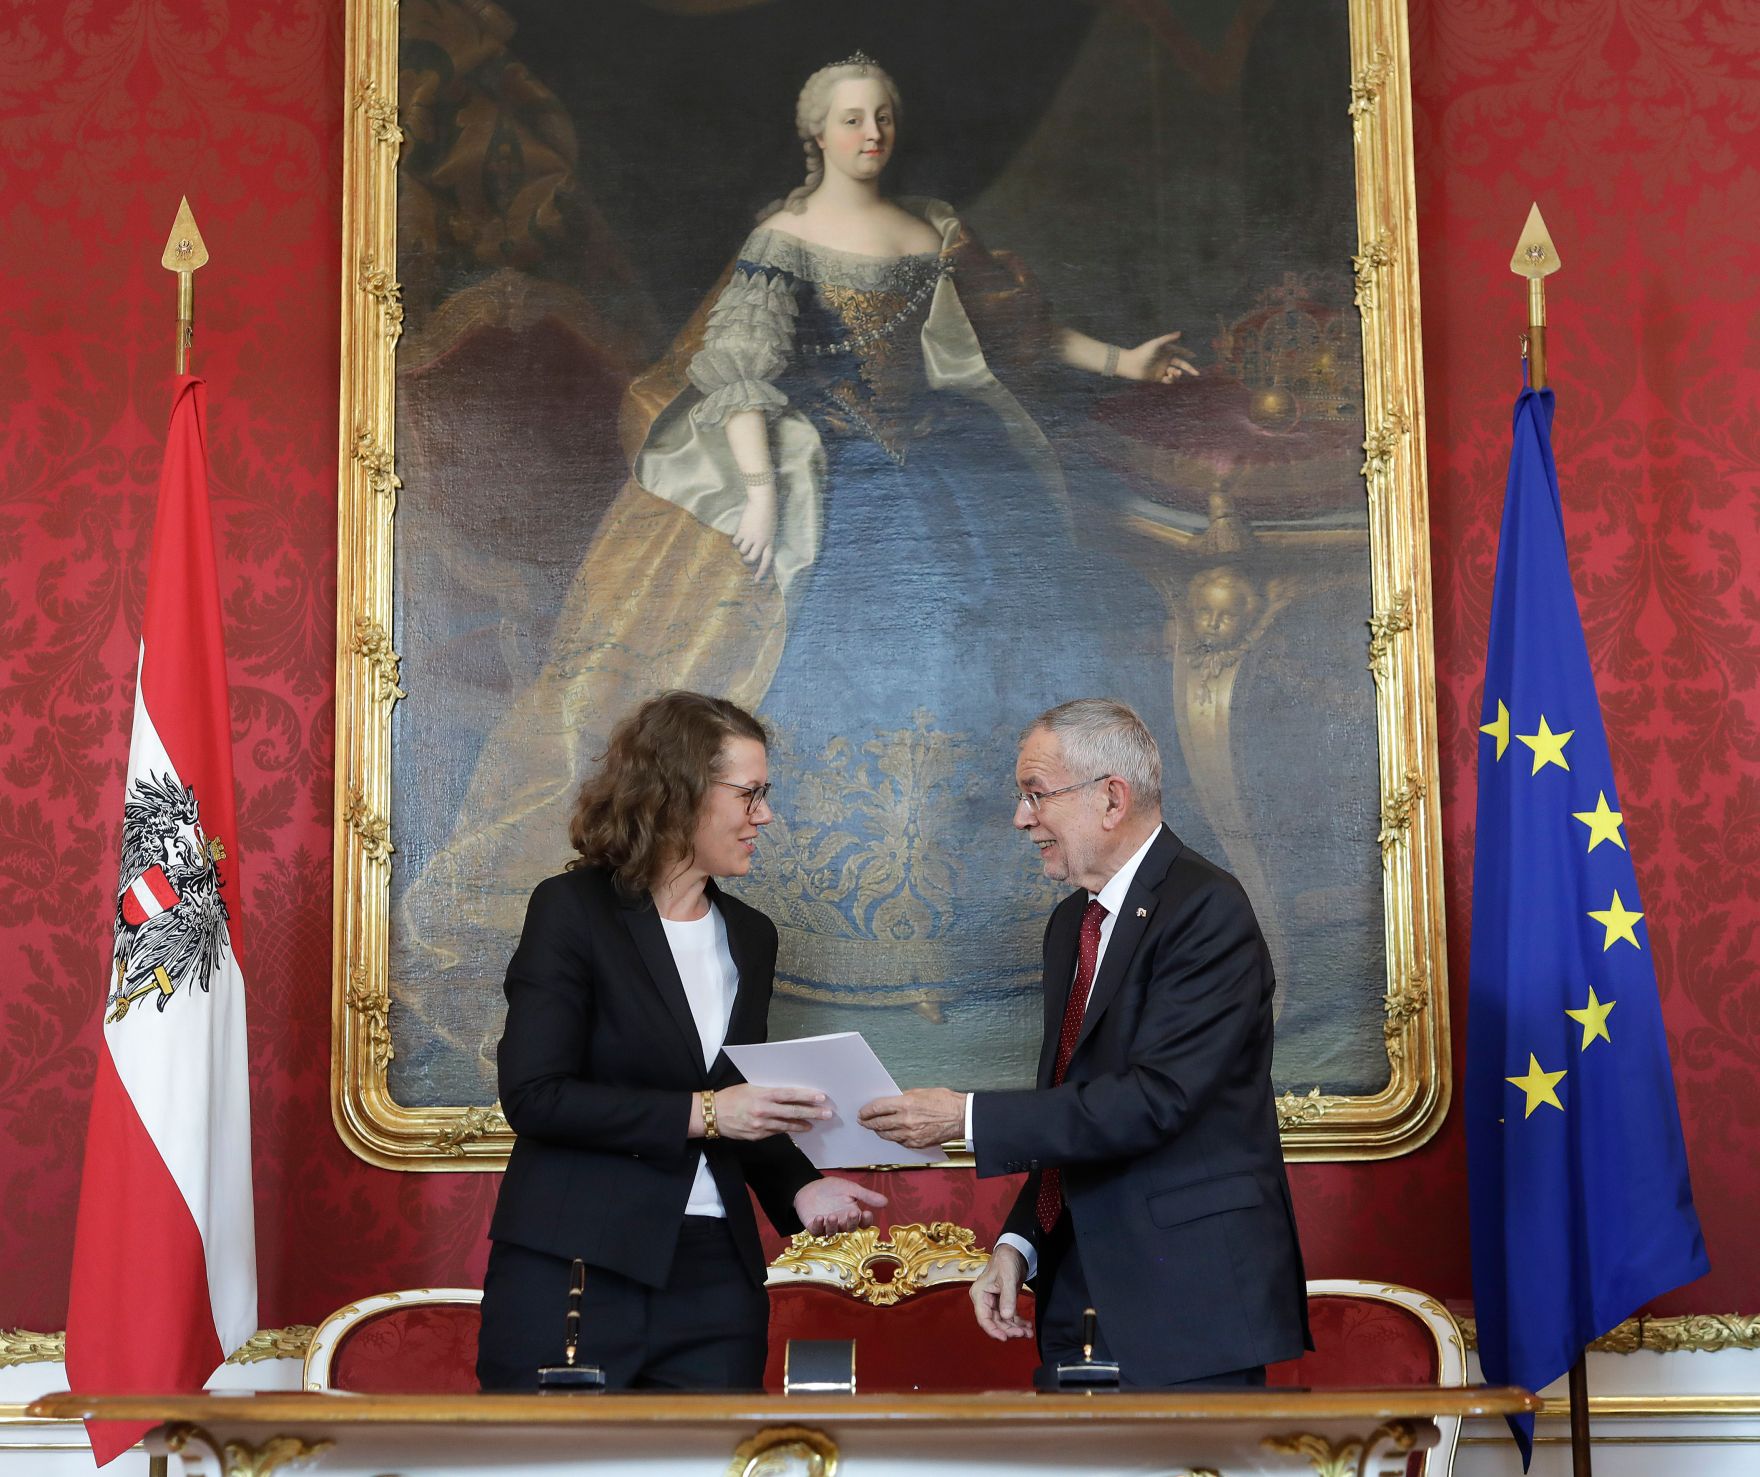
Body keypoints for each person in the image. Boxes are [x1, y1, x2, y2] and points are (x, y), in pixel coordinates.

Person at [399, 52, 1197, 1063]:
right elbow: (735, 372)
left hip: (947, 459)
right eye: (851, 118)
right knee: (826, 649)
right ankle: (834, 945)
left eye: (883, 116)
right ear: (813, 133)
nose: (872, 133)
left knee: (987, 638)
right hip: (822, 463)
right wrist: (765, 497)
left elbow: (1018, 333)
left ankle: (971, 940)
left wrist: (1119, 360)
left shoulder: (933, 228)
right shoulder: (784, 237)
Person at [860, 699, 1309, 1388]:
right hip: (1077, 1297)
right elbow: (1075, 1103)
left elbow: (1154, 1100)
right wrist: (1020, 1242)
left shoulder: (1207, 909)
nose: (1021, 817)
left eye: (1036, 794)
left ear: (1111, 798)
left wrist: (965, 1116)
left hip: (1188, 1307)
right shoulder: (1073, 921)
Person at [477, 691, 887, 1391]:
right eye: (750, 794)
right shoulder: (571, 910)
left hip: (715, 1281)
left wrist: (803, 1188)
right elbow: (535, 1096)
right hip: (578, 1270)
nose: (765, 816)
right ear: (679, 792)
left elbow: (735, 1101)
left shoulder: (752, 936)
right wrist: (706, 1113)